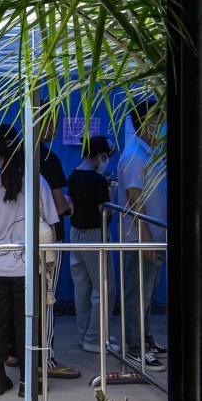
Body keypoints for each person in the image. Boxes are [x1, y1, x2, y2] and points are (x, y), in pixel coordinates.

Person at [0, 124, 60, 397]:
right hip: (29, 267)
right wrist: (50, 259)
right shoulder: (36, 181)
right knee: (27, 323)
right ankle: (28, 382)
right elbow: (50, 225)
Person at [118, 98, 167, 371]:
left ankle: (145, 340)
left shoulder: (148, 152)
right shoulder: (134, 156)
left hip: (155, 237)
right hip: (141, 239)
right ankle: (135, 348)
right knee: (137, 294)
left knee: (147, 293)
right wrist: (146, 237)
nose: (160, 126)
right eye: (157, 121)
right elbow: (134, 199)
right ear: (145, 123)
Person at [36, 110, 80, 379]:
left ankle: (16, 351)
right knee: (47, 298)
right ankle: (46, 358)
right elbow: (58, 204)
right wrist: (70, 205)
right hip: (49, 238)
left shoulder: (19, 155)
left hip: (19, 239)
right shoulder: (49, 159)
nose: (57, 127)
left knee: (23, 296)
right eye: (54, 121)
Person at [68, 135, 117, 353]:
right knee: (104, 288)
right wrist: (111, 195)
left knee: (82, 287)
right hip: (95, 235)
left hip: (75, 233)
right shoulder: (98, 181)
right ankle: (95, 338)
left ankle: (83, 334)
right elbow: (103, 213)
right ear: (101, 156)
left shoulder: (74, 175)